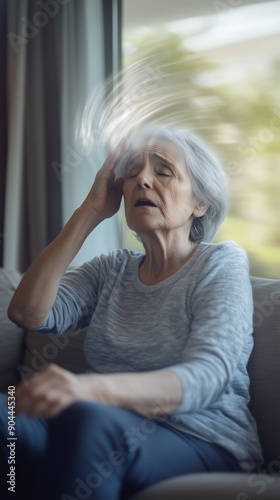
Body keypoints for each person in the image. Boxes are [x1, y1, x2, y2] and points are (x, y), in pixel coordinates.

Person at [1, 126, 263, 500]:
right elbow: (27, 313)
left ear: (199, 202)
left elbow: (209, 376)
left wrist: (90, 389)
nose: (142, 178)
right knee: (5, 413)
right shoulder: (112, 270)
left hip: (200, 438)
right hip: (96, 423)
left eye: (163, 171)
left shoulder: (220, 262)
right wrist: (90, 211)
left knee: (88, 420)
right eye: (134, 170)